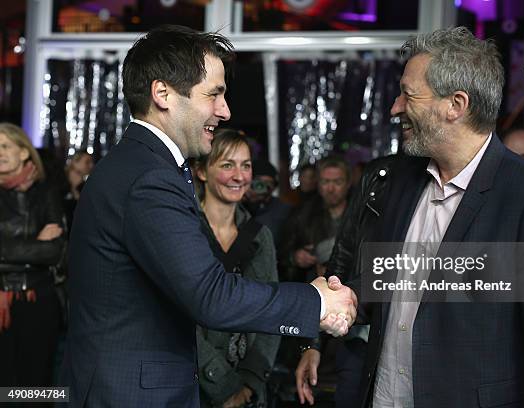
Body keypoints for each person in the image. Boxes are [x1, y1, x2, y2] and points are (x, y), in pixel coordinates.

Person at [61, 25, 356, 408]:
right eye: (214, 94)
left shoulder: (142, 164)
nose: (225, 110)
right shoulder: (150, 176)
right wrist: (315, 303)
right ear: (163, 93)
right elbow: (210, 296)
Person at [303, 27, 524, 407]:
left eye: (409, 94)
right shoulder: (402, 180)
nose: (395, 108)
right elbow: (391, 280)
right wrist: (341, 297)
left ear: (456, 105)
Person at [192, 129, 280, 407]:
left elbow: (272, 311)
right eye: (227, 165)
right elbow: (175, 317)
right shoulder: (184, 230)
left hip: (248, 394)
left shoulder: (259, 235)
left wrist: (249, 383)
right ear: (202, 171)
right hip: (193, 386)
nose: (239, 176)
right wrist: (224, 386)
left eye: (246, 165)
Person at [0, 123, 65, 388]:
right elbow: (43, 249)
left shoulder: (47, 192)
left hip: (38, 301)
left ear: (25, 152)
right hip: (2, 301)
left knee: (37, 387)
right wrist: (36, 243)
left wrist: (9, 249)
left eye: (4, 146)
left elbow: (55, 251)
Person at [243, 159, 292, 247]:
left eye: (269, 183)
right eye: (259, 182)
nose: (263, 187)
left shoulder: (282, 210)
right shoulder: (236, 205)